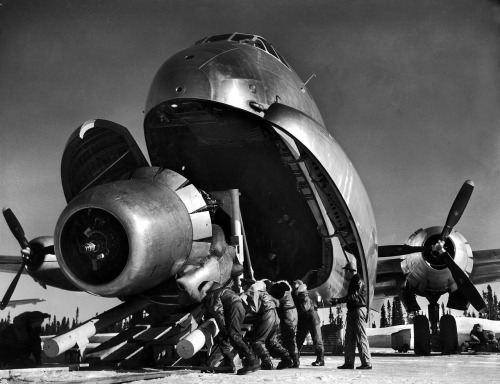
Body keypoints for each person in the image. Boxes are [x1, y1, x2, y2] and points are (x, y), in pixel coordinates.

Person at [202, 282, 260, 375]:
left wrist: (223, 328)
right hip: (239, 308)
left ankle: (252, 361)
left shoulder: (212, 295)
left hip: (233, 308)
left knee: (233, 336)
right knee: (223, 339)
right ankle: (228, 365)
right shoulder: (226, 290)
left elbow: (218, 313)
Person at [242, 279, 294, 370]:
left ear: (246, 286)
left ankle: (267, 362)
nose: (242, 288)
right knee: (271, 341)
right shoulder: (264, 292)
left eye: (242, 286)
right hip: (274, 315)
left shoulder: (253, 291)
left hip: (266, 316)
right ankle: (287, 358)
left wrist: (243, 305)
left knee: (256, 342)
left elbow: (254, 309)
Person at [330, 262, 372, 370]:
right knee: (349, 338)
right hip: (353, 311)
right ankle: (349, 362)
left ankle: (366, 362)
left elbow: (353, 296)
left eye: (346, 271)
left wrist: (338, 300)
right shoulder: (354, 280)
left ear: (349, 271)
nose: (345, 273)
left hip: (358, 311)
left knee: (360, 337)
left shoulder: (358, 279)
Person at [266, 279, 300, 367]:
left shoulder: (279, 289)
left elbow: (277, 301)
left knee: (288, 336)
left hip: (287, 313)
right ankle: (294, 360)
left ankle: (294, 360)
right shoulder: (285, 288)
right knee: (291, 336)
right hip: (292, 312)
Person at [292, 279, 324, 366]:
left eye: (294, 287)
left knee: (316, 339)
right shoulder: (299, 295)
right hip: (305, 320)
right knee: (299, 340)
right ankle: (295, 359)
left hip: (312, 319)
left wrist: (294, 311)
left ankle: (320, 359)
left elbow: (304, 308)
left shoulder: (303, 295)